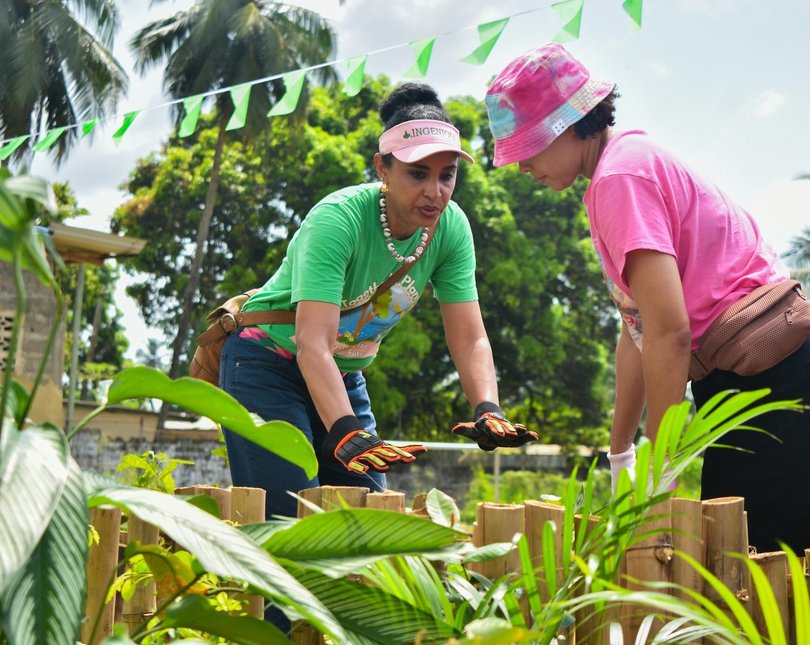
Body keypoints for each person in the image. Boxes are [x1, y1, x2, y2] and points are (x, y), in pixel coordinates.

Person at [484, 44, 810, 553]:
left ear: (571, 125)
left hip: (769, 379)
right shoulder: (623, 165)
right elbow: (637, 330)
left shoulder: (620, 179)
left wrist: (660, 478)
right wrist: (621, 456)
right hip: (749, 380)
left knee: (758, 568)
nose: (522, 167)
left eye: (527, 149)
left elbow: (670, 332)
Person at [219, 82, 538, 523]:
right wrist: (347, 430)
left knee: (370, 519)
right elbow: (313, 343)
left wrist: (488, 407)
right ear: (382, 169)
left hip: (343, 375)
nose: (435, 192)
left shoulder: (451, 229)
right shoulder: (339, 219)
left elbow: (469, 337)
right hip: (267, 364)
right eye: (417, 173)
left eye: (446, 175)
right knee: (287, 519)